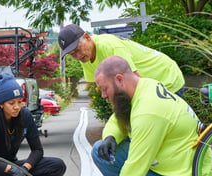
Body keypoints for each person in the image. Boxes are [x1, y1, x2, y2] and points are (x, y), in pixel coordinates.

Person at [91, 56, 212, 176]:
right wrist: (110, 136)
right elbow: (118, 116)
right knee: (100, 150)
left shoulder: (149, 111)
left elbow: (136, 166)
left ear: (119, 79)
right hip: (165, 166)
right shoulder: (143, 85)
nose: (104, 95)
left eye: (104, 89)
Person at [58, 24, 186, 144]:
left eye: (77, 50)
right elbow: (103, 90)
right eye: (72, 54)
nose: (77, 56)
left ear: (87, 37)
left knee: (161, 135)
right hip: (149, 84)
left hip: (166, 77)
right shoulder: (85, 57)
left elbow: (136, 84)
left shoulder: (110, 46)